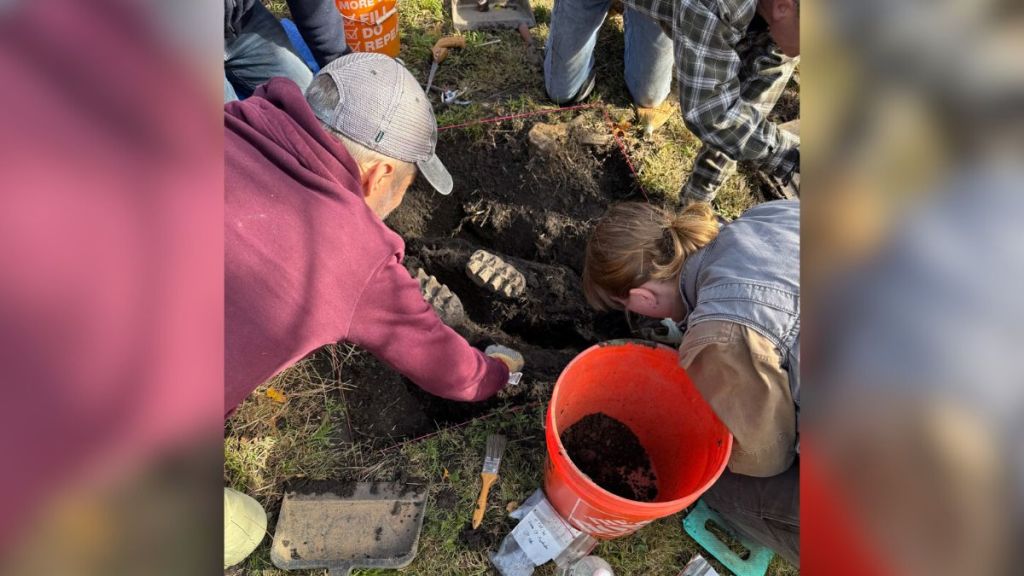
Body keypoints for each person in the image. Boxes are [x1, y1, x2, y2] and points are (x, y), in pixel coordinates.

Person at [223, 53, 523, 565]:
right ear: (379, 172)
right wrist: (501, 373)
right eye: (404, 187)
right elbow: (449, 371)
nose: (399, 201)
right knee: (242, 526)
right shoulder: (346, 248)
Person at [582, 199, 800, 564]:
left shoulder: (722, 336)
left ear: (642, 298)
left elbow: (768, 457)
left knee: (718, 484)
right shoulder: (770, 214)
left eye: (626, 307)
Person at [545, 0, 800, 203]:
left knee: (649, 96)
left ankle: (649, 11)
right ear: (783, 7)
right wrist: (795, 157)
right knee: (563, 93)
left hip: (689, 9)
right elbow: (709, 114)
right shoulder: (720, 4)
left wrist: (694, 204)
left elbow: (739, 123)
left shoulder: (792, 28)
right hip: (698, 8)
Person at [224, 0, 351, 102]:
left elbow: (313, 7)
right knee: (229, 128)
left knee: (312, 101)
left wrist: (341, 64)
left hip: (241, 21)